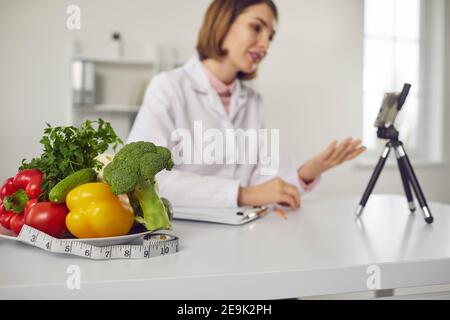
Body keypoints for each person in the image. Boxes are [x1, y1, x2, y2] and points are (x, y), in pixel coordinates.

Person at [127, 0, 366, 209]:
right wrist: (241, 194)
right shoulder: (168, 88)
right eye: (256, 28)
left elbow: (261, 179)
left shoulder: (252, 101)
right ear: (222, 23)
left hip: (240, 227)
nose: (265, 45)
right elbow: (147, 179)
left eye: (270, 36)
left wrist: (306, 173)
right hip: (185, 231)